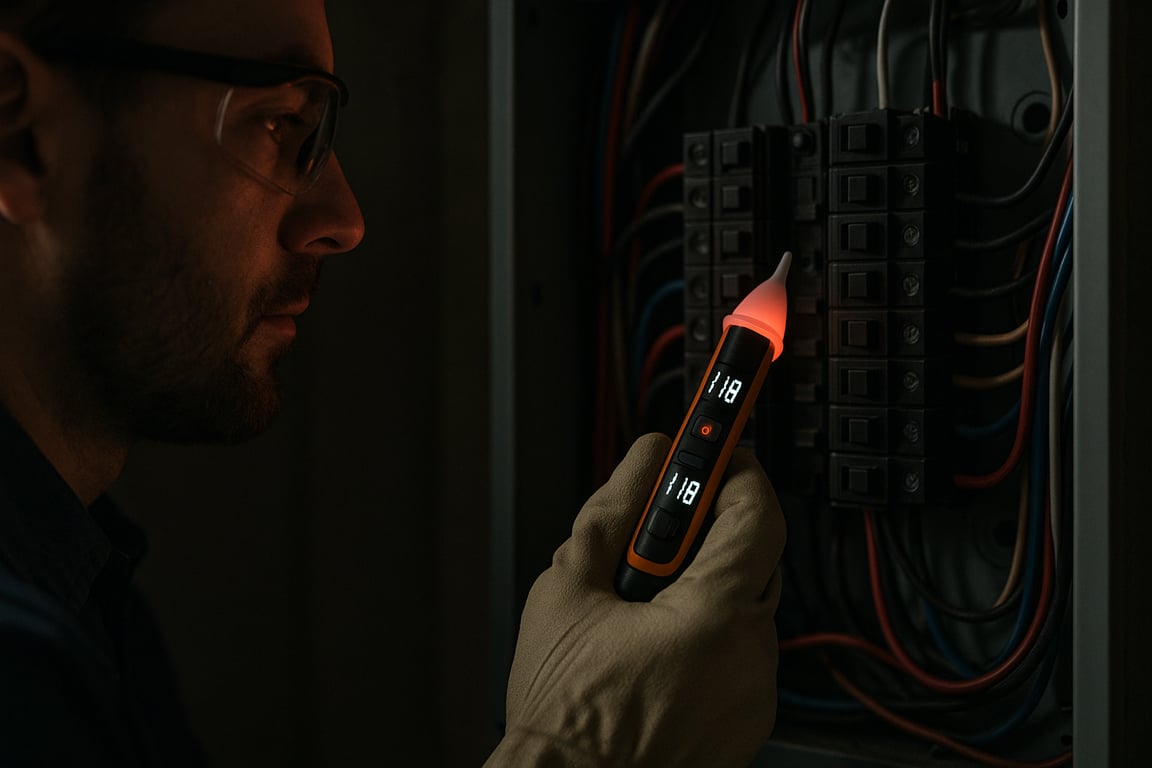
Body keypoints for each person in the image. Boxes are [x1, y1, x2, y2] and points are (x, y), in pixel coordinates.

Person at [0, 1, 786, 765]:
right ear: (20, 137)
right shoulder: (22, 664)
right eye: (278, 123)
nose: (345, 219)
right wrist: (582, 749)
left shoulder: (86, 595)